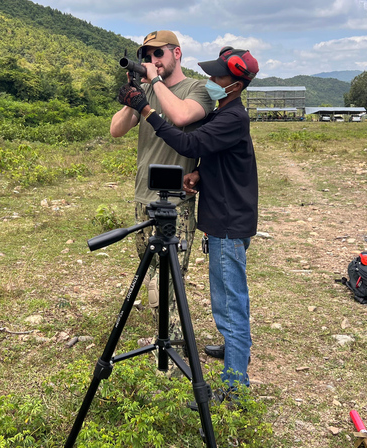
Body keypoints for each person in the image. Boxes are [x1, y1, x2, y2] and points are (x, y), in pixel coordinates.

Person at [116, 46, 259, 394]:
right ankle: (234, 352)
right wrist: (200, 173)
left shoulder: (232, 117)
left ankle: (234, 386)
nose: (210, 81)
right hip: (224, 216)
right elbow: (212, 153)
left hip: (228, 221)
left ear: (235, 85)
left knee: (228, 303)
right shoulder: (224, 112)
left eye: (217, 77)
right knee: (227, 296)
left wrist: (146, 108)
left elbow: (185, 139)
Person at [110, 30, 213, 345]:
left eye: (158, 54)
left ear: (176, 54)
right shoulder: (147, 89)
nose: (151, 61)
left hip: (176, 202)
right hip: (143, 197)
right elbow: (116, 130)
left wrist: (153, 84)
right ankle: (166, 338)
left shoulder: (197, 89)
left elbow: (181, 115)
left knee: (166, 280)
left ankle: (172, 345)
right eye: (147, 56)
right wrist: (134, 97)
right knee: (151, 274)